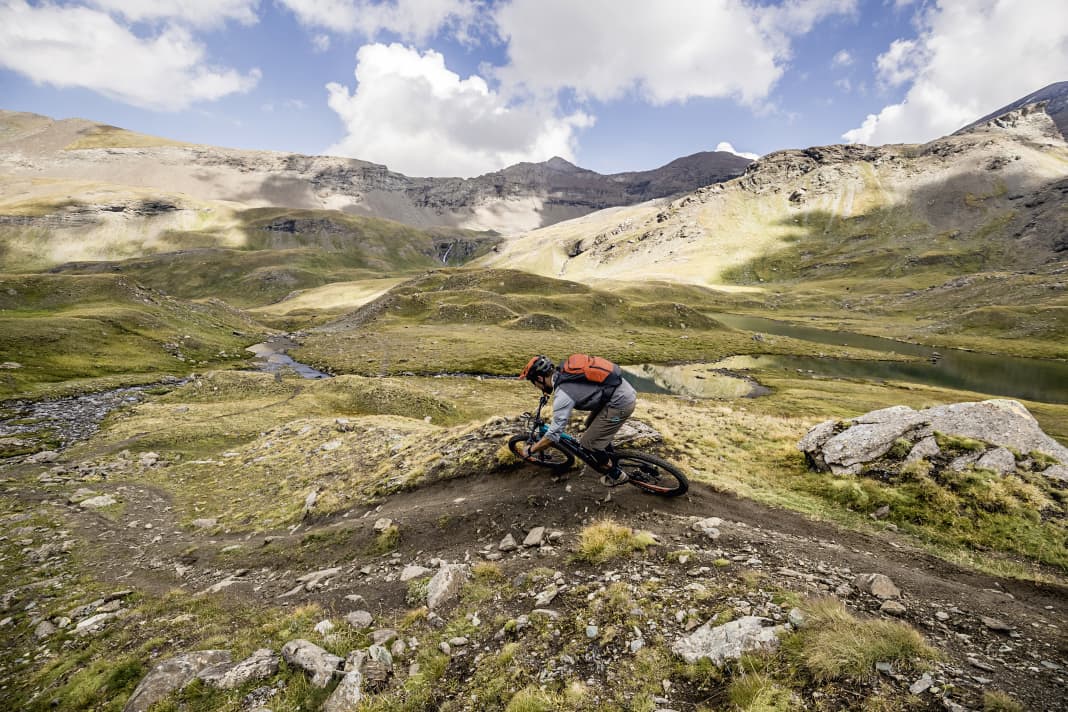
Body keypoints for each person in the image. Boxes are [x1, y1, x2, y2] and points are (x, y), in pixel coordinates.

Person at [517, 354, 638, 486]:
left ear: (540, 378)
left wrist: (530, 450)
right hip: (618, 391)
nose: (536, 387)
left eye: (535, 383)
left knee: (587, 444)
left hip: (621, 403)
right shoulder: (563, 373)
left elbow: (553, 436)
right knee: (589, 425)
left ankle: (616, 475)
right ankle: (608, 456)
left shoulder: (563, 394)